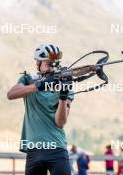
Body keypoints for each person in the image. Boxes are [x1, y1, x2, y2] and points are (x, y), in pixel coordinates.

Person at [7, 44, 74, 175]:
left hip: (57, 148)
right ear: (38, 63)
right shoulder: (27, 79)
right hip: (34, 149)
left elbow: (60, 123)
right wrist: (38, 85)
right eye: (49, 64)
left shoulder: (64, 83)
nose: (52, 68)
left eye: (55, 64)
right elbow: (11, 94)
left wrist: (63, 96)